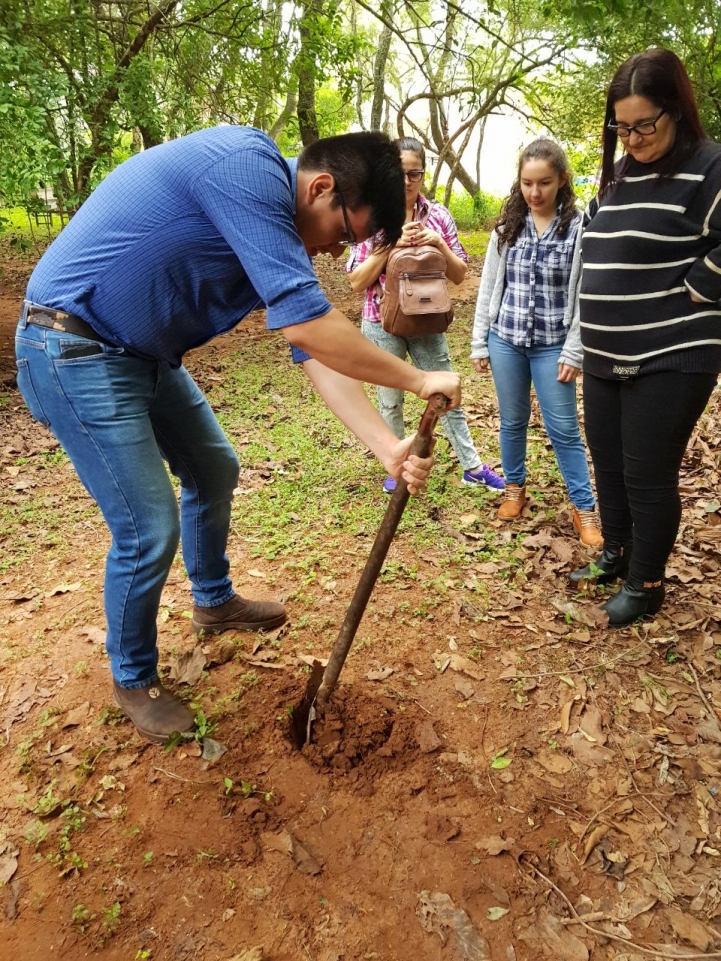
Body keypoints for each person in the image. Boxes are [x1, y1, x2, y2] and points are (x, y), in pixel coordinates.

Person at [15, 127, 461, 743]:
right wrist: (416, 378)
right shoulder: (245, 167)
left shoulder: (269, 226)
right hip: (71, 346)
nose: (336, 253)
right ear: (321, 186)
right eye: (345, 233)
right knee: (148, 528)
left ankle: (213, 600)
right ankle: (133, 675)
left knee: (214, 468)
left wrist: (387, 446)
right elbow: (311, 328)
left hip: (139, 354)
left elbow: (313, 353)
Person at [569, 48, 721, 626]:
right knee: (607, 461)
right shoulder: (625, 172)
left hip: (672, 351)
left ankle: (647, 582)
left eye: (643, 125)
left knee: (646, 471)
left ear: (677, 110)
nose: (630, 138)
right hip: (608, 350)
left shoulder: (711, 166)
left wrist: (700, 285)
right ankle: (616, 552)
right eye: (621, 127)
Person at [345, 137, 504, 495]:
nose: (406, 181)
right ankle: (398, 465)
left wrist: (438, 244)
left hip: (428, 320)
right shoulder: (369, 216)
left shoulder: (439, 216)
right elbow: (356, 281)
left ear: (423, 174)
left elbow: (461, 274)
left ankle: (472, 467)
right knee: (390, 398)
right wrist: (390, 247)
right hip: (381, 320)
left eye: (414, 173)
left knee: (446, 395)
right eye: (400, 173)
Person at [470, 139, 602, 548]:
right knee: (511, 420)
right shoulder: (508, 227)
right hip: (505, 338)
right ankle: (514, 489)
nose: (534, 192)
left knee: (563, 429)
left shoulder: (580, 229)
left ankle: (586, 510)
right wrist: (479, 342)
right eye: (527, 183)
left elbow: (585, 294)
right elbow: (490, 284)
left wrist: (575, 348)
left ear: (562, 180)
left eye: (544, 182)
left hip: (553, 345)